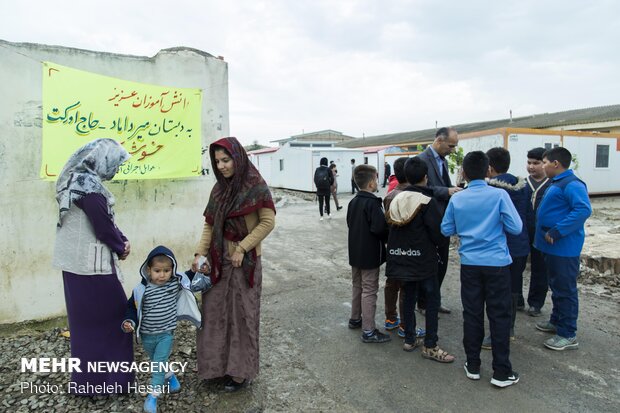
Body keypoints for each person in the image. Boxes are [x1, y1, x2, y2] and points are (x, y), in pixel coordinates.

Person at [193, 137, 276, 391]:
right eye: (217, 161)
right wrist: (200, 254)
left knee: (242, 315)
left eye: (226, 160)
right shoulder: (219, 189)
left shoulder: (255, 185)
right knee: (214, 313)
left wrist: (243, 247)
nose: (221, 166)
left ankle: (240, 373)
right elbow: (209, 224)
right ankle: (216, 367)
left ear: (238, 158)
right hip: (219, 262)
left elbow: (268, 221)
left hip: (245, 262)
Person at [52, 138, 134, 395]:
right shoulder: (90, 187)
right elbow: (102, 226)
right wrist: (121, 246)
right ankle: (114, 383)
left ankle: (88, 384)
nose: (117, 169)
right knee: (118, 320)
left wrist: (120, 238)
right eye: (116, 163)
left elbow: (102, 220)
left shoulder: (73, 182)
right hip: (92, 268)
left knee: (84, 327)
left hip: (74, 267)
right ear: (103, 160)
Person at [441, 151, 522, 388]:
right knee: (499, 316)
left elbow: (446, 229)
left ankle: (473, 365)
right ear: (488, 171)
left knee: (472, 313)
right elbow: (515, 228)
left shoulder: (457, 199)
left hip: (470, 264)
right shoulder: (499, 195)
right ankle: (501, 371)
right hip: (497, 264)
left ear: (463, 173)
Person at [386, 158, 455, 362]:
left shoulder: (396, 198)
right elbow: (438, 234)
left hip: (400, 258)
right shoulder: (427, 201)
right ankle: (431, 345)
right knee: (431, 300)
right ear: (426, 177)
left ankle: (409, 339)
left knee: (408, 296)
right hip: (423, 260)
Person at [122, 246, 202, 413]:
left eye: (167, 270)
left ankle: (153, 396)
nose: (162, 274)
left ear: (172, 270)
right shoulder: (141, 290)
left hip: (166, 334)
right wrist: (129, 321)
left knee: (157, 365)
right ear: (148, 270)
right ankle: (171, 377)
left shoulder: (174, 284)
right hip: (146, 336)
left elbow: (188, 277)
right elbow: (131, 307)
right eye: (157, 270)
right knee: (158, 362)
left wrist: (195, 270)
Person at [534, 147, 591, 351]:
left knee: (565, 289)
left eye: (545, 162)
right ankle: (557, 321)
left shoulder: (572, 184)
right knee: (557, 286)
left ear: (556, 164)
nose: (543, 166)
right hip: (552, 247)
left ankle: (567, 334)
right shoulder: (558, 182)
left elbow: (584, 209)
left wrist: (558, 230)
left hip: (564, 247)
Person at [482, 147, 530, 348]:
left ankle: (496, 334)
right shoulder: (524, 186)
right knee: (513, 287)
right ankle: (509, 329)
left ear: (490, 168)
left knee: (497, 291)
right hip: (520, 244)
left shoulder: (493, 190)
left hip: (500, 246)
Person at [416, 127, 462, 314]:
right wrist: (446, 191)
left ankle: (434, 299)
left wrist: (454, 188)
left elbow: (442, 184)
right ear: (439, 141)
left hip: (443, 220)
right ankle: (423, 303)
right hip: (429, 220)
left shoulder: (442, 161)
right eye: (451, 146)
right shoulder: (421, 160)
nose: (453, 150)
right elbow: (419, 189)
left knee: (442, 262)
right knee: (428, 263)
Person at [346, 164, 390, 343]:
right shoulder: (373, 203)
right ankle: (369, 331)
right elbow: (380, 228)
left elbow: (350, 223)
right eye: (377, 179)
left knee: (358, 286)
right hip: (370, 254)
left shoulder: (353, 201)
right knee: (370, 290)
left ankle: (355, 318)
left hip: (355, 253)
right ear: (372, 183)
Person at [382, 157, 411, 338]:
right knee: (406, 287)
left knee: (391, 283)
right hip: (409, 249)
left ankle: (391, 318)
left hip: (392, 247)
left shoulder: (389, 196)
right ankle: (405, 325)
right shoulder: (415, 197)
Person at [524, 147, 552, 317]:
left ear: (544, 163)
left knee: (540, 268)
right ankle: (516, 299)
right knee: (516, 266)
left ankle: (535, 303)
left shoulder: (551, 185)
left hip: (541, 233)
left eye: (536, 163)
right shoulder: (521, 184)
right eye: (529, 162)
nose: (531, 166)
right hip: (522, 232)